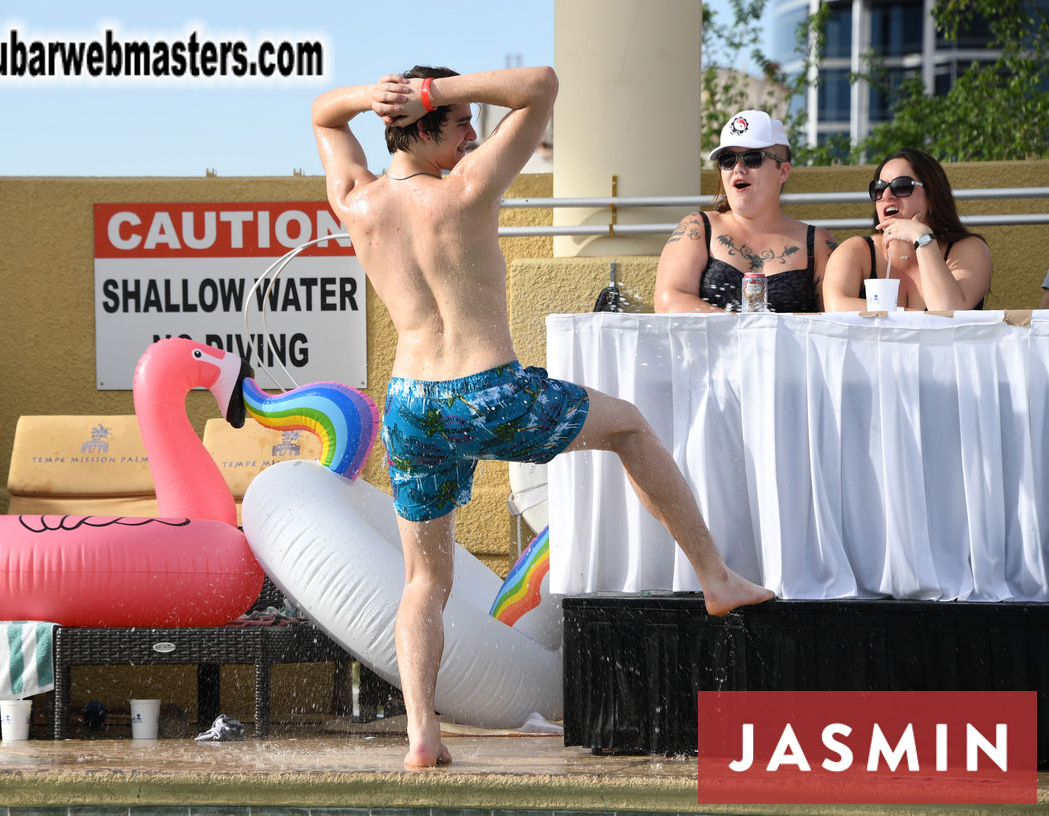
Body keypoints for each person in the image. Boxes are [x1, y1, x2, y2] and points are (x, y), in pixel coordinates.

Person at [311, 67, 773, 770]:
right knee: (629, 427)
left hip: (412, 405)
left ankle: (420, 734)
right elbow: (542, 85)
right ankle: (715, 576)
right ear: (425, 122)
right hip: (487, 391)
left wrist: (372, 99)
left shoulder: (357, 199)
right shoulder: (466, 190)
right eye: (459, 122)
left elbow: (324, 116)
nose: (472, 135)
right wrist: (434, 90)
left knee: (423, 582)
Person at [655, 110, 836, 313]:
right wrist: (744, 330)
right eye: (728, 160)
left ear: (783, 171)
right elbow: (668, 302)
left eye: (752, 158)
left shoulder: (817, 243)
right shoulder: (698, 229)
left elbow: (836, 319)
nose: (738, 168)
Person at [823, 148, 991, 312]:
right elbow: (836, 308)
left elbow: (947, 313)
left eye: (901, 186)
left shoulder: (969, 249)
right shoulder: (858, 251)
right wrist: (917, 317)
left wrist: (923, 239)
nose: (887, 195)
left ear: (932, 197)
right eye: (879, 188)